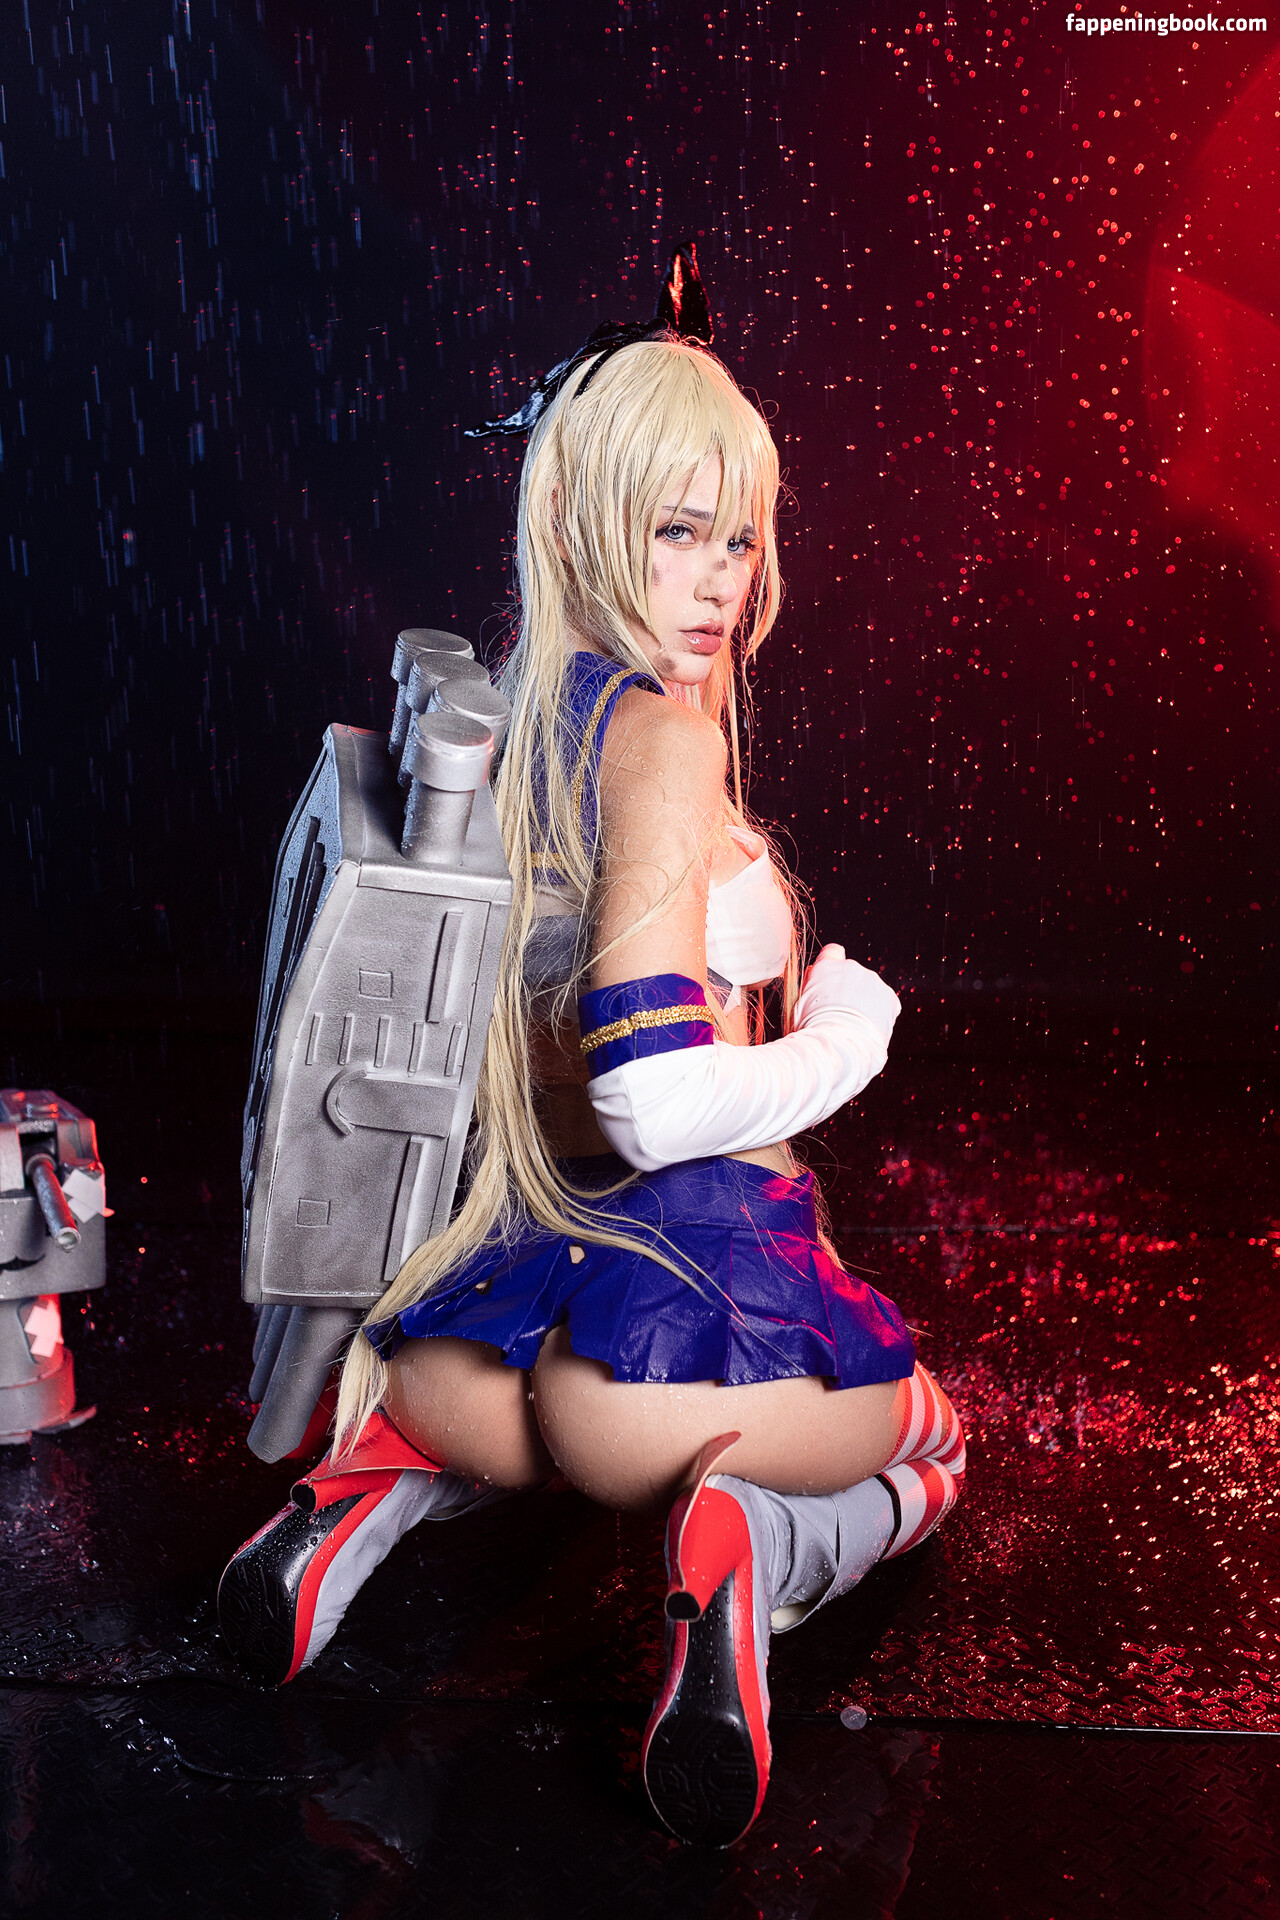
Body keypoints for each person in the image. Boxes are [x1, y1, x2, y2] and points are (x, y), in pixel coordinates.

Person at [218, 262, 966, 1847]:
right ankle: (755, 1541)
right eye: (675, 532)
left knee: (513, 1419)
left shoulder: (523, 710)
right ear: (577, 521)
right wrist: (851, 1033)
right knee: (936, 1433)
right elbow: (651, 1096)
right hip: (659, 1367)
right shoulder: (665, 742)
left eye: (737, 538)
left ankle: (370, 1486)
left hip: (471, 1349)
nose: (717, 582)